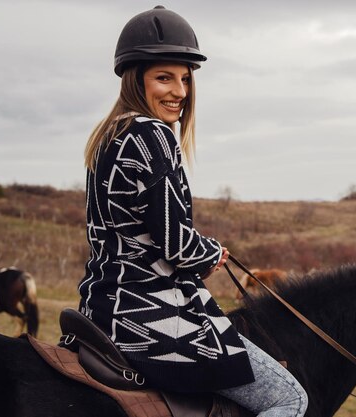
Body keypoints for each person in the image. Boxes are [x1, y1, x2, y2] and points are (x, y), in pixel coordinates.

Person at [78, 6, 307, 417]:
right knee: (289, 398)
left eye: (185, 78)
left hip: (99, 305)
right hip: (148, 315)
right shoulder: (151, 134)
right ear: (136, 79)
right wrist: (212, 252)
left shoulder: (108, 137)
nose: (180, 91)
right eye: (164, 77)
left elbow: (131, 233)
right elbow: (176, 243)